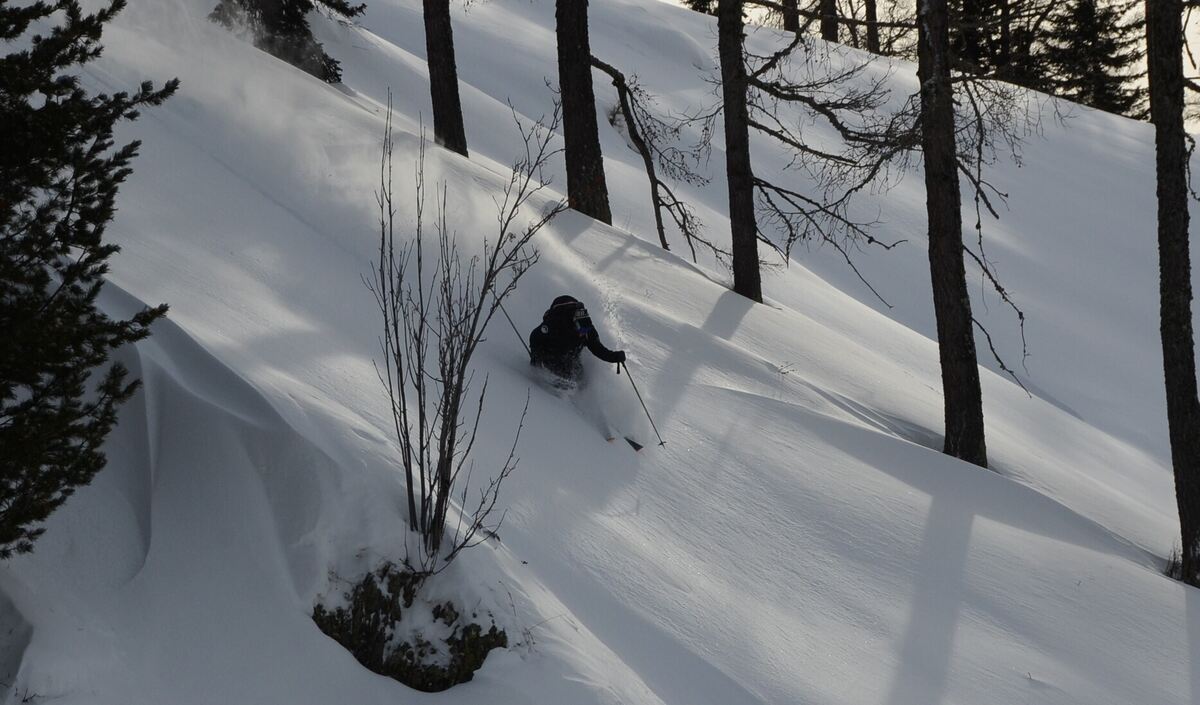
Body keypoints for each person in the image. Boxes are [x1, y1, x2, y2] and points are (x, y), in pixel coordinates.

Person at [529, 295, 625, 382]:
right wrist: (535, 357)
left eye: (585, 331)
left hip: (570, 355)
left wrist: (615, 357)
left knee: (580, 376)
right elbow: (534, 336)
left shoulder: (588, 331)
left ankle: (575, 389)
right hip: (551, 352)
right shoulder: (555, 323)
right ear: (574, 324)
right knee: (561, 368)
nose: (582, 334)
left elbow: (598, 349)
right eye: (580, 330)